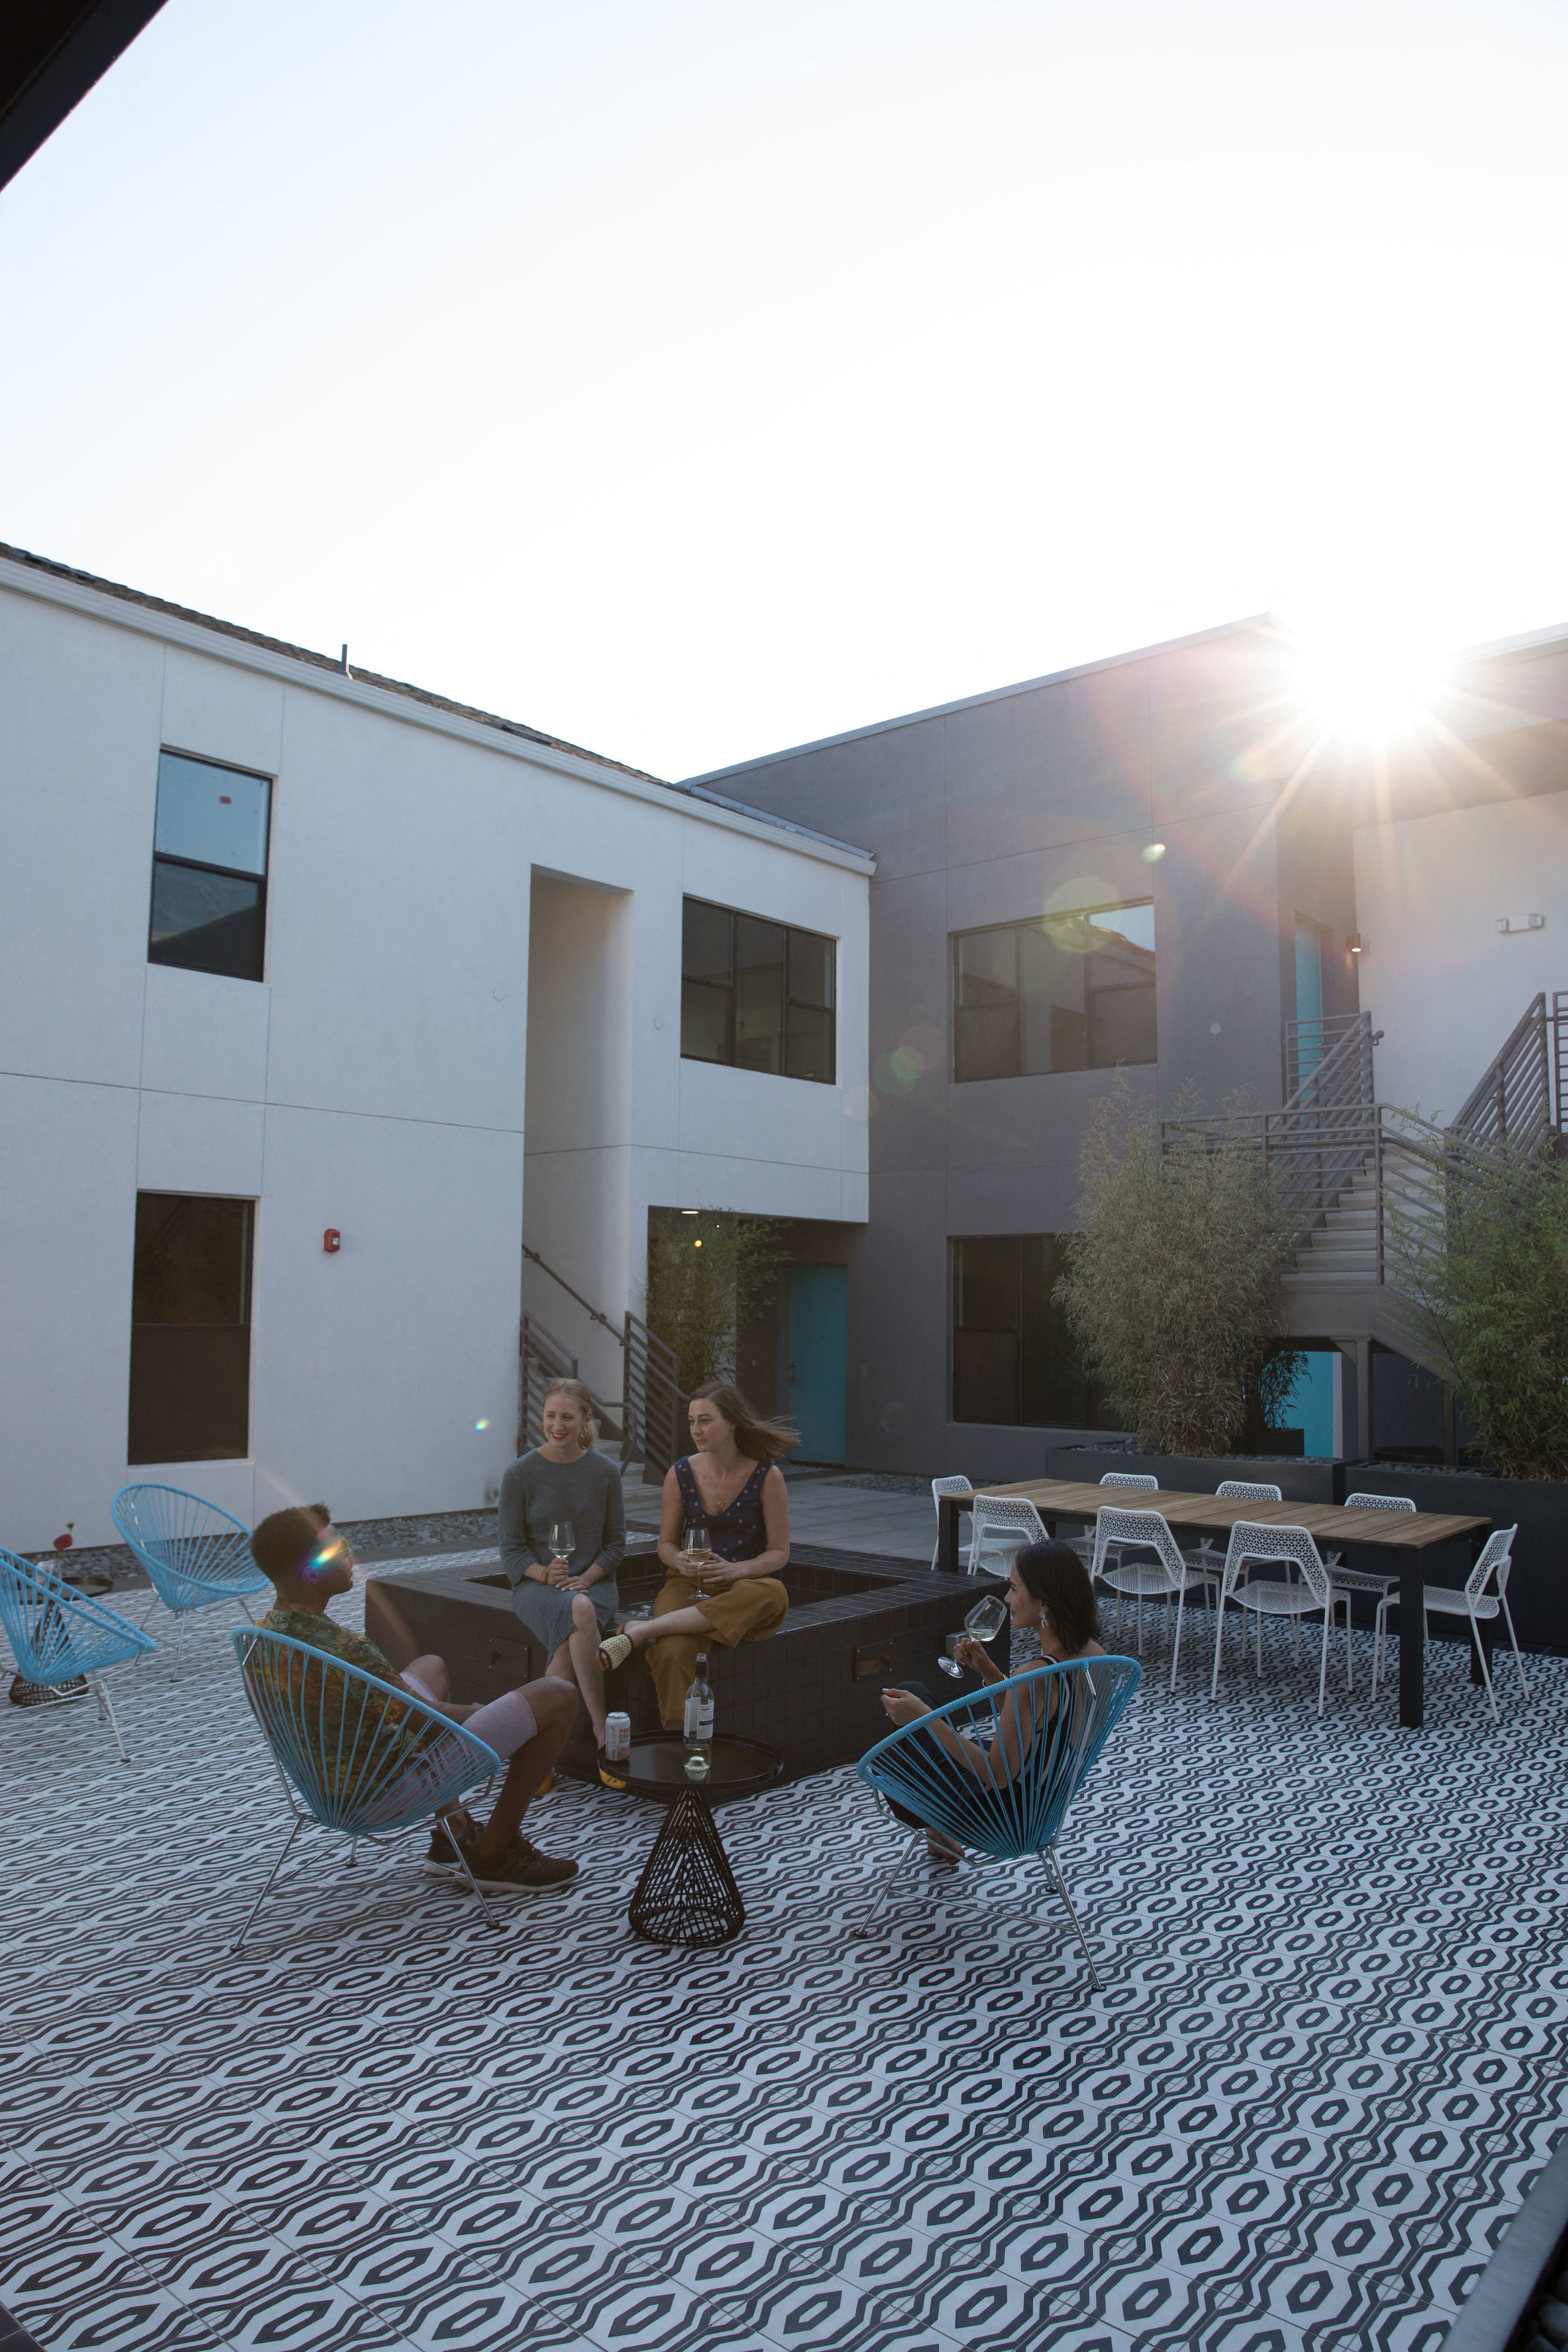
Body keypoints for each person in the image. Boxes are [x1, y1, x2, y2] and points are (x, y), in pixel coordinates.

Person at [251, 1502, 580, 1894]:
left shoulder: (264, 1637)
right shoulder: (347, 1650)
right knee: (557, 1695)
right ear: (310, 1575)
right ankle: (494, 1853)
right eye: (337, 1549)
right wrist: (486, 1712)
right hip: (380, 1792)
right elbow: (426, 1719)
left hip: (328, 1787)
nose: (349, 1552)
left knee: (431, 1666)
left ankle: (452, 1834)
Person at [875, 1539, 1106, 1863]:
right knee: (914, 1690)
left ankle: (939, 1828)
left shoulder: (1036, 1676)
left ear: (1044, 1604)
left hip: (1001, 1815)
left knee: (892, 1753)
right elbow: (1040, 1723)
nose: (1007, 1598)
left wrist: (924, 1716)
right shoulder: (1096, 1656)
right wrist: (989, 1670)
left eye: (1014, 1589)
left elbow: (998, 1774)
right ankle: (938, 1831)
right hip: (1043, 1802)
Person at [596, 1380, 792, 1728]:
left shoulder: (767, 1476)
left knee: (774, 1592)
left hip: (744, 1587)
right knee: (673, 1651)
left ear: (732, 1421)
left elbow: (779, 1553)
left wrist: (737, 1571)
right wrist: (679, 1561)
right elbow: (666, 1545)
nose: (696, 1430)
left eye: (705, 1420)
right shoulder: (681, 1473)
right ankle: (679, 1739)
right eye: (691, 1421)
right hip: (687, 1584)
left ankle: (643, 1630)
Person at [498, 1379, 624, 1750]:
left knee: (581, 1610)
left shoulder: (605, 1473)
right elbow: (512, 1551)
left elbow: (616, 1546)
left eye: (567, 1417)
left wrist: (585, 1578)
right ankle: (603, 1731)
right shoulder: (519, 1474)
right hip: (536, 1588)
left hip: (595, 1584)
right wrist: (544, 1573)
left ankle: (535, 1749)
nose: (557, 1424)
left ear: (585, 1419)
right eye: (550, 1415)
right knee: (579, 1612)